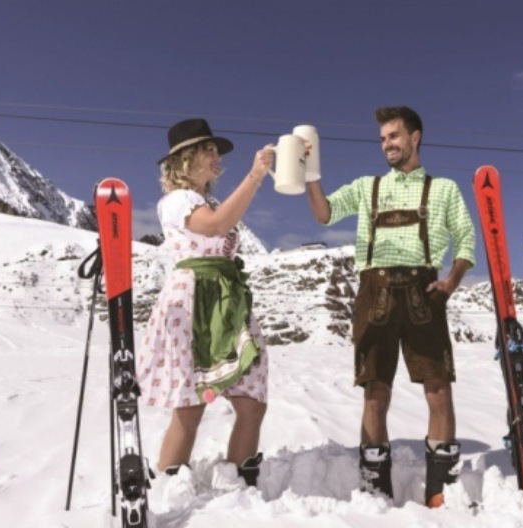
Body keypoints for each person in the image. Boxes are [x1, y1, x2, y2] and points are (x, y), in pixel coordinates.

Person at [305, 106, 476, 507]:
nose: (387, 145)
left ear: (415, 137)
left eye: (394, 136)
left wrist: (451, 282)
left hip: (424, 293)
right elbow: (325, 213)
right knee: (374, 391)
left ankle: (440, 489)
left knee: (438, 388)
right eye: (383, 138)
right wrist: (310, 174)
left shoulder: (445, 189)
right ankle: (374, 488)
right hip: (375, 292)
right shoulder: (367, 187)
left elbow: (466, 239)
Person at [137, 118, 272, 492]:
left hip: (226, 299)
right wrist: (256, 175)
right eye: (208, 150)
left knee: (252, 397)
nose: (216, 157)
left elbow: (218, 222)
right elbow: (213, 226)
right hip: (196, 301)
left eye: (216, 151)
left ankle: (240, 479)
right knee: (192, 403)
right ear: (185, 159)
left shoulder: (206, 200)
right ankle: (168, 486)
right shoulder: (178, 201)